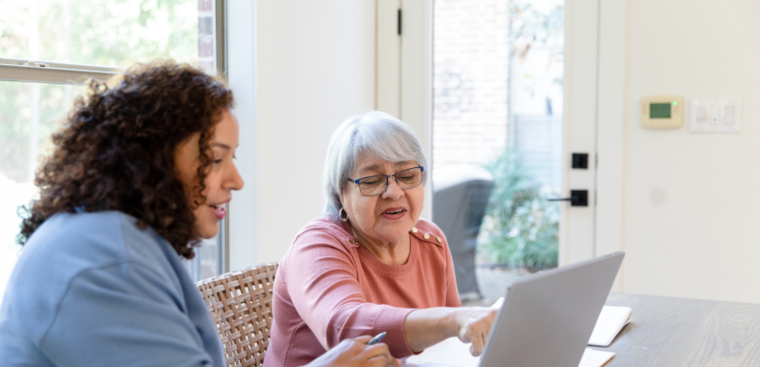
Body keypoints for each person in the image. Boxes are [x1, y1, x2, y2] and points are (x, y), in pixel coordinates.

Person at [0, 61, 398, 367]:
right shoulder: (101, 261)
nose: (237, 180)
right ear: (150, 161)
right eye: (214, 158)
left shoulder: (117, 240)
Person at [265, 111, 498, 367]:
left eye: (407, 176)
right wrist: (453, 320)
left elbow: (453, 346)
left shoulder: (431, 241)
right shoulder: (316, 247)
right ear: (340, 192)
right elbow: (346, 327)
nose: (393, 192)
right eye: (373, 181)